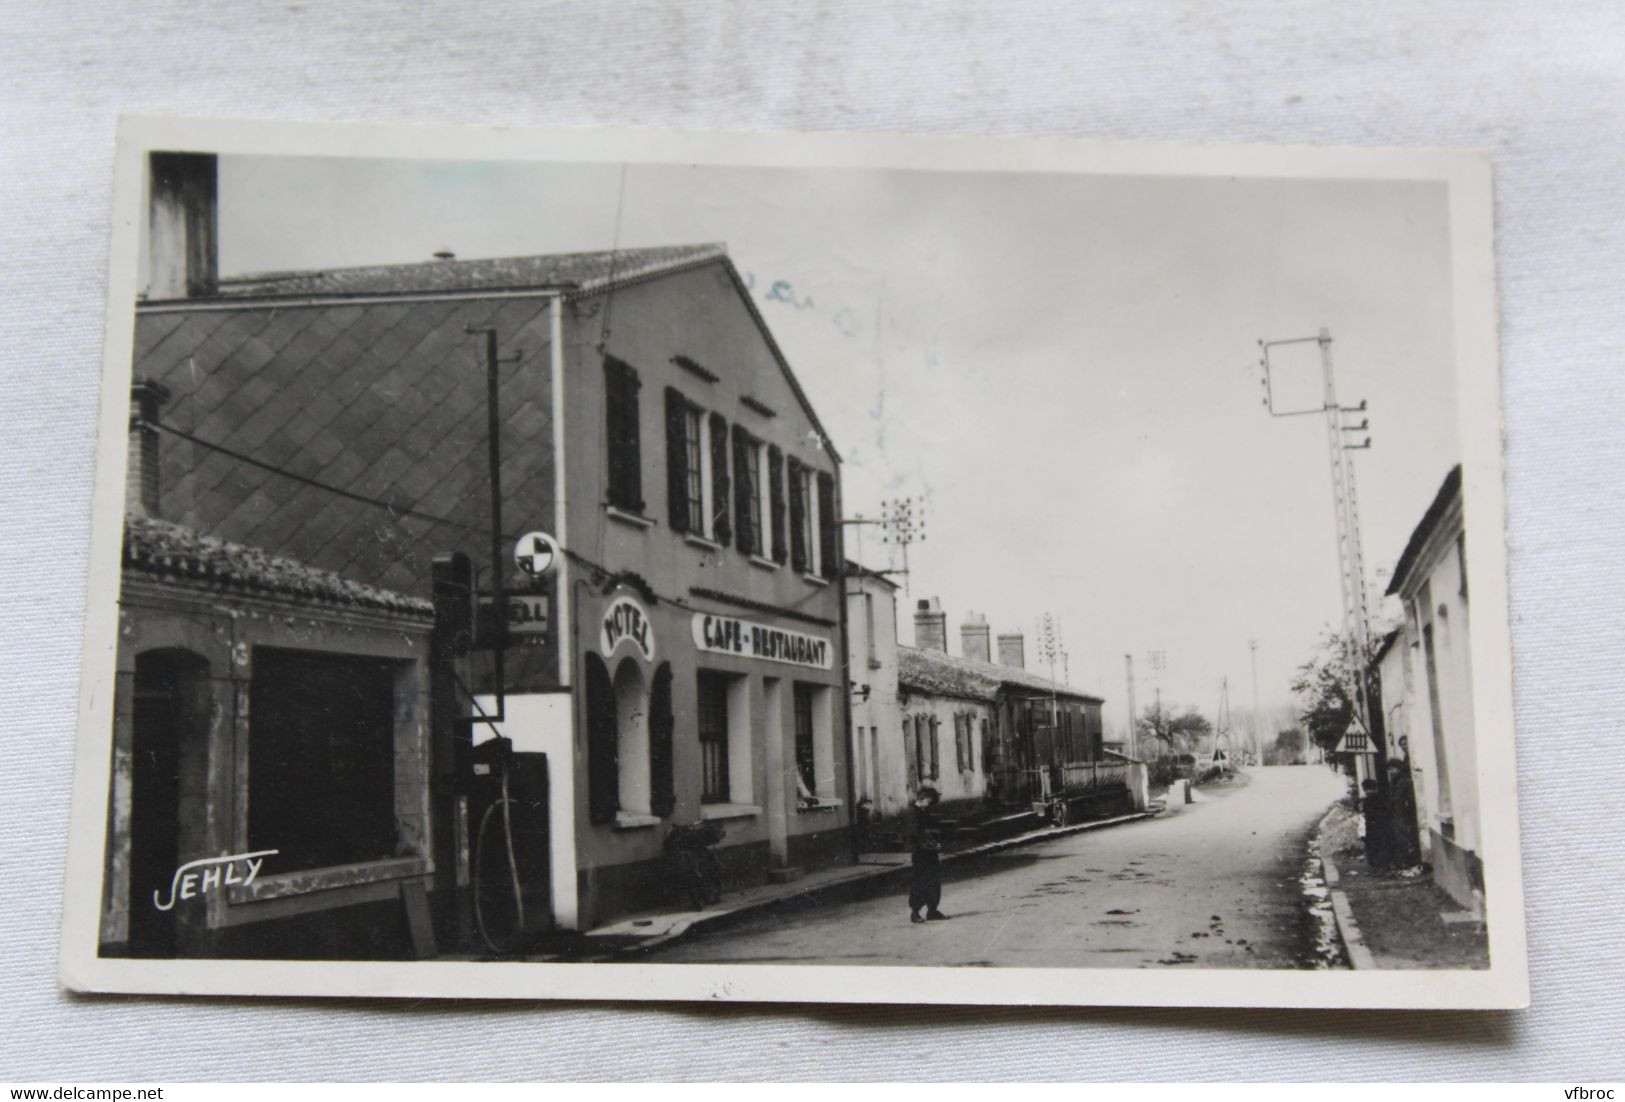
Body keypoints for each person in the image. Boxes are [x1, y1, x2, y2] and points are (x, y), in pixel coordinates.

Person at [908, 786, 948, 923]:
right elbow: (915, 834)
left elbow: (934, 827)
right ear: (922, 798)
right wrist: (932, 843)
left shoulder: (924, 812)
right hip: (920, 853)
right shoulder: (913, 813)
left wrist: (937, 840)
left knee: (934, 881)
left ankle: (932, 910)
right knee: (920, 882)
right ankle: (915, 912)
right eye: (928, 802)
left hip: (930, 852)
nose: (929, 805)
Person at [1386, 759, 1422, 869]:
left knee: (1404, 838)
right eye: (1390, 769)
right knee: (1397, 837)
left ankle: (1406, 861)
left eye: (1393, 769)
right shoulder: (1394, 781)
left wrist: (1409, 813)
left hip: (1403, 814)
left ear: (1399, 768)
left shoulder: (1406, 781)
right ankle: (1401, 861)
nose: (1391, 772)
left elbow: (1410, 800)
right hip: (1395, 813)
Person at [1361, 775, 1391, 870]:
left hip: (1375, 825)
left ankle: (1378, 866)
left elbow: (1368, 813)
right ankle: (1380, 866)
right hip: (1377, 825)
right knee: (1378, 846)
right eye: (1366, 789)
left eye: (1368, 789)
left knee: (1376, 846)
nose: (1367, 791)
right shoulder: (1379, 798)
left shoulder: (1370, 800)